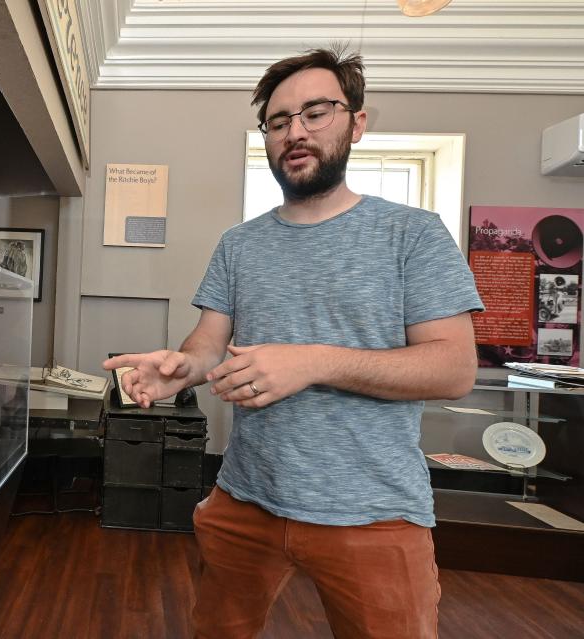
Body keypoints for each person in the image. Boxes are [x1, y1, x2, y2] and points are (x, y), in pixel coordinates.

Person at [103, 46, 484, 639]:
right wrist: (181, 367)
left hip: (375, 514)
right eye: (278, 122)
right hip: (244, 499)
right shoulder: (239, 244)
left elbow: (454, 368)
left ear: (356, 123)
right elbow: (209, 343)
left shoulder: (413, 234)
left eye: (316, 113)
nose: (295, 132)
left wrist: (311, 363)